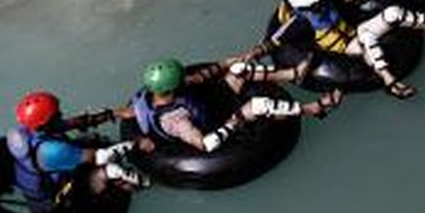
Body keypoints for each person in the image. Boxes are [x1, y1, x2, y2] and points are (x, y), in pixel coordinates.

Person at [251, 0, 425, 100]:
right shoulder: (299, 23)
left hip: (356, 32)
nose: (321, 5)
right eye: (316, 4)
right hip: (344, 48)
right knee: (368, 38)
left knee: (394, 13)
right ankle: (390, 82)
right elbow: (274, 41)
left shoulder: (326, 1)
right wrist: (250, 56)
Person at [121, 56, 342, 152]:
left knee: (239, 70)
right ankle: (313, 110)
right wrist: (232, 124)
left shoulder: (164, 91)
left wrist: (231, 62)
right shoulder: (176, 121)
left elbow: (200, 77)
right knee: (256, 105)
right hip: (216, 121)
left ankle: (293, 74)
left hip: (210, 101)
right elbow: (205, 145)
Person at [7, 91, 148, 213]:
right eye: (56, 114)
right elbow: (99, 157)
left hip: (40, 185)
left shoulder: (22, 132)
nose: (61, 114)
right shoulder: (52, 151)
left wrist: (114, 113)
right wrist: (135, 145)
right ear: (45, 124)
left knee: (87, 142)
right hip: (52, 202)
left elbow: (69, 123)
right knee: (111, 170)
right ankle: (146, 184)